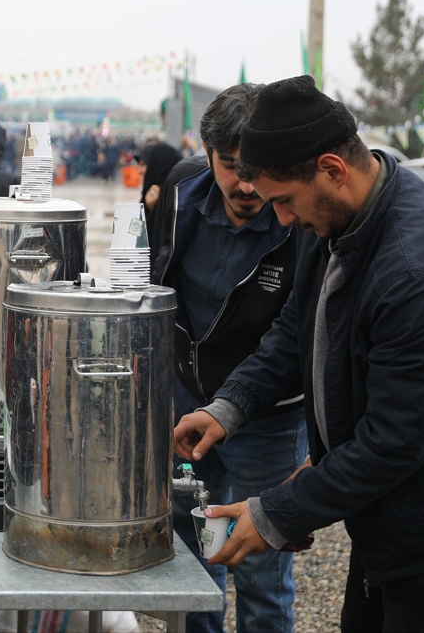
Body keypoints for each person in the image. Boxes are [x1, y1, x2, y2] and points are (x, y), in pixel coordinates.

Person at [173, 75, 424, 633]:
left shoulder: (421, 272)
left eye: (284, 202)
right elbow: (294, 330)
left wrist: (272, 516)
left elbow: (392, 443)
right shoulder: (334, 218)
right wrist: (228, 406)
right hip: (387, 507)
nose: (281, 220)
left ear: (332, 168)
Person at [153, 83, 304, 633]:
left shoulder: (298, 222)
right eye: (230, 166)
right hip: (185, 400)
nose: (246, 185)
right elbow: (155, 279)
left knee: (262, 568)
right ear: (206, 151)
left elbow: (293, 337)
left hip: (268, 417)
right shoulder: (180, 189)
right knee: (195, 552)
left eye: (257, 169)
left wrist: (231, 407)